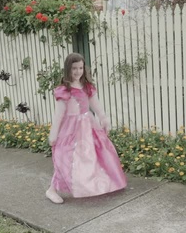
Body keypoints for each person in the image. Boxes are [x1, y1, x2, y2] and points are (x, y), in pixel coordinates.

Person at [46, 53, 127, 204]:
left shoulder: (87, 87)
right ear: (68, 69)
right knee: (65, 157)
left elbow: (96, 105)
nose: (78, 71)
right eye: (74, 68)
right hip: (71, 128)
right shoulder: (65, 90)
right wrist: (54, 134)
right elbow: (58, 115)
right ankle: (52, 190)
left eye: (80, 68)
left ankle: (100, 183)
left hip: (88, 125)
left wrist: (104, 118)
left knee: (96, 154)